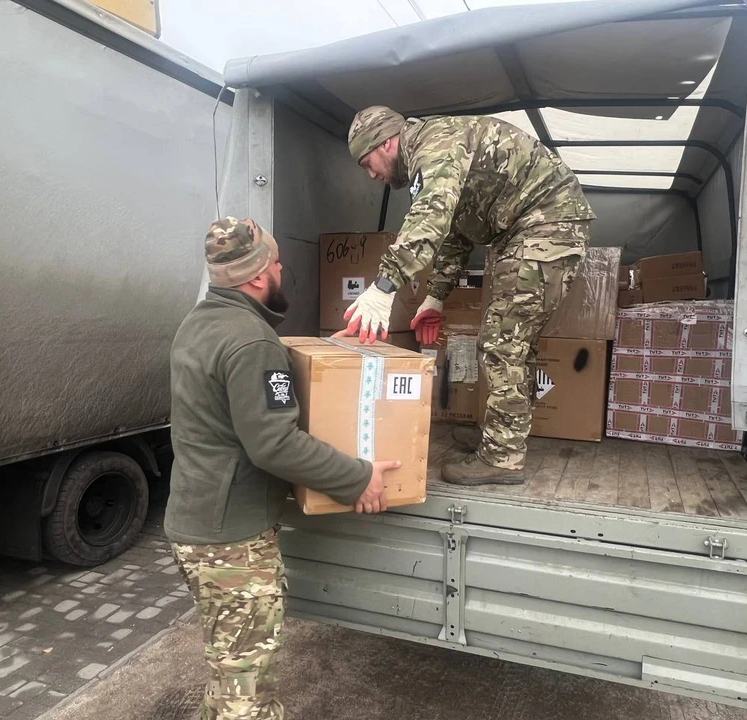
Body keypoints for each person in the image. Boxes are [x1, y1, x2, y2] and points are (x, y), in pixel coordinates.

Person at [165, 216, 400, 719]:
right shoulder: (253, 342)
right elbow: (273, 444)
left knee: (230, 670)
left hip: (197, 522)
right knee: (245, 695)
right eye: (276, 263)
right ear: (256, 277)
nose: (282, 269)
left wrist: (328, 353)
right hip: (232, 541)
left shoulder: (200, 322)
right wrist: (359, 476)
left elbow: (237, 402)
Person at [343, 106, 595, 486]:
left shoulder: (436, 145)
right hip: (531, 227)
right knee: (511, 343)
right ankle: (501, 437)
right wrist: (435, 298)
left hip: (546, 224)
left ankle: (503, 457)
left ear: (387, 142)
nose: (372, 175)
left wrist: (385, 286)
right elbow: (456, 231)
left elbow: (431, 217)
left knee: (501, 344)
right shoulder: (430, 155)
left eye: (369, 162)